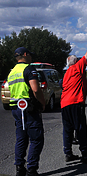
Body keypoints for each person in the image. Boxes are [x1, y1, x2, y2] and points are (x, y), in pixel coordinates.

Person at [60, 28, 87, 164]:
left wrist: (85, 88)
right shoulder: (78, 67)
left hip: (64, 104)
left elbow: (76, 84)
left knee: (67, 130)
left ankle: (68, 153)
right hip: (76, 103)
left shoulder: (66, 74)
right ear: (76, 62)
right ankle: (85, 155)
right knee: (81, 128)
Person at [8, 47, 46, 176]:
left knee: (21, 139)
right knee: (36, 139)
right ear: (25, 55)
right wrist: (42, 102)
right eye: (30, 55)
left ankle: (20, 168)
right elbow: (35, 89)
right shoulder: (28, 69)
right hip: (29, 109)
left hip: (16, 108)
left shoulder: (12, 72)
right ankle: (32, 169)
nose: (31, 57)